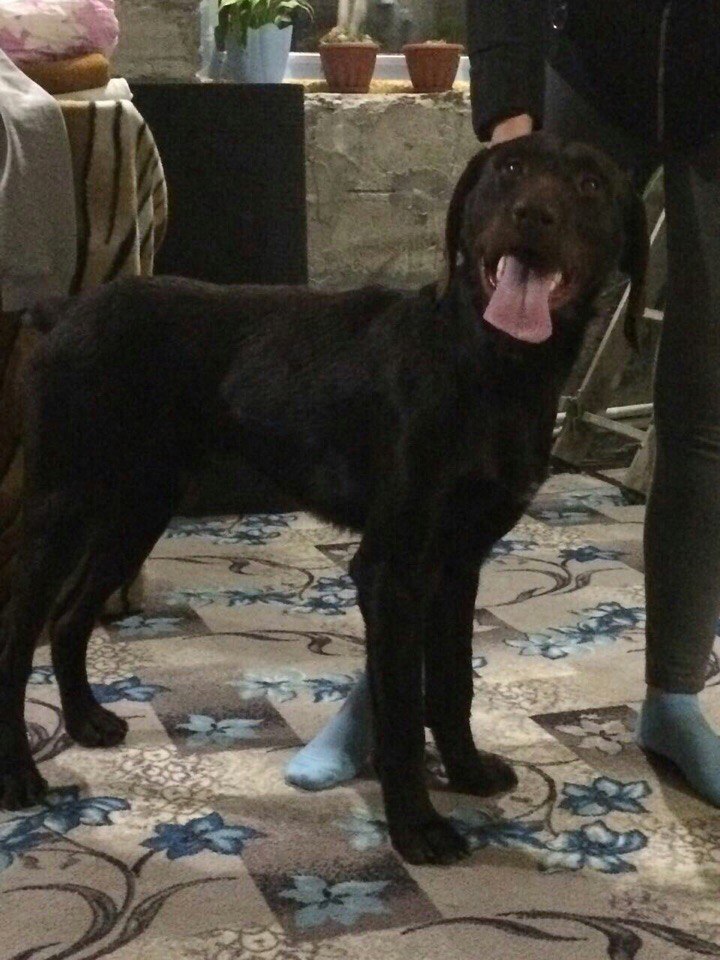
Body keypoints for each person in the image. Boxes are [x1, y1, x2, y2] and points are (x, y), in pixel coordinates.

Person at [285, 0, 720, 807]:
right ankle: (378, 705)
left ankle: (674, 702)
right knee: (462, 389)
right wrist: (509, 110)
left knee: (707, 418)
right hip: (598, 65)